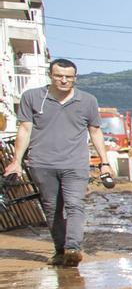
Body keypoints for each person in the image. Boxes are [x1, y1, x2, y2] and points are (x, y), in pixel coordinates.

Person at [3, 59, 111, 266]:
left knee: (74, 204)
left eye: (68, 77)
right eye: (59, 76)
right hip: (41, 163)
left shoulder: (87, 101)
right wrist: (17, 161)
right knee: (52, 207)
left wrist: (104, 162)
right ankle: (60, 250)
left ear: (75, 78)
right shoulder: (32, 97)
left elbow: (95, 131)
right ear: (50, 75)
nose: (63, 80)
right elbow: (25, 129)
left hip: (75, 163)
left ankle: (73, 247)